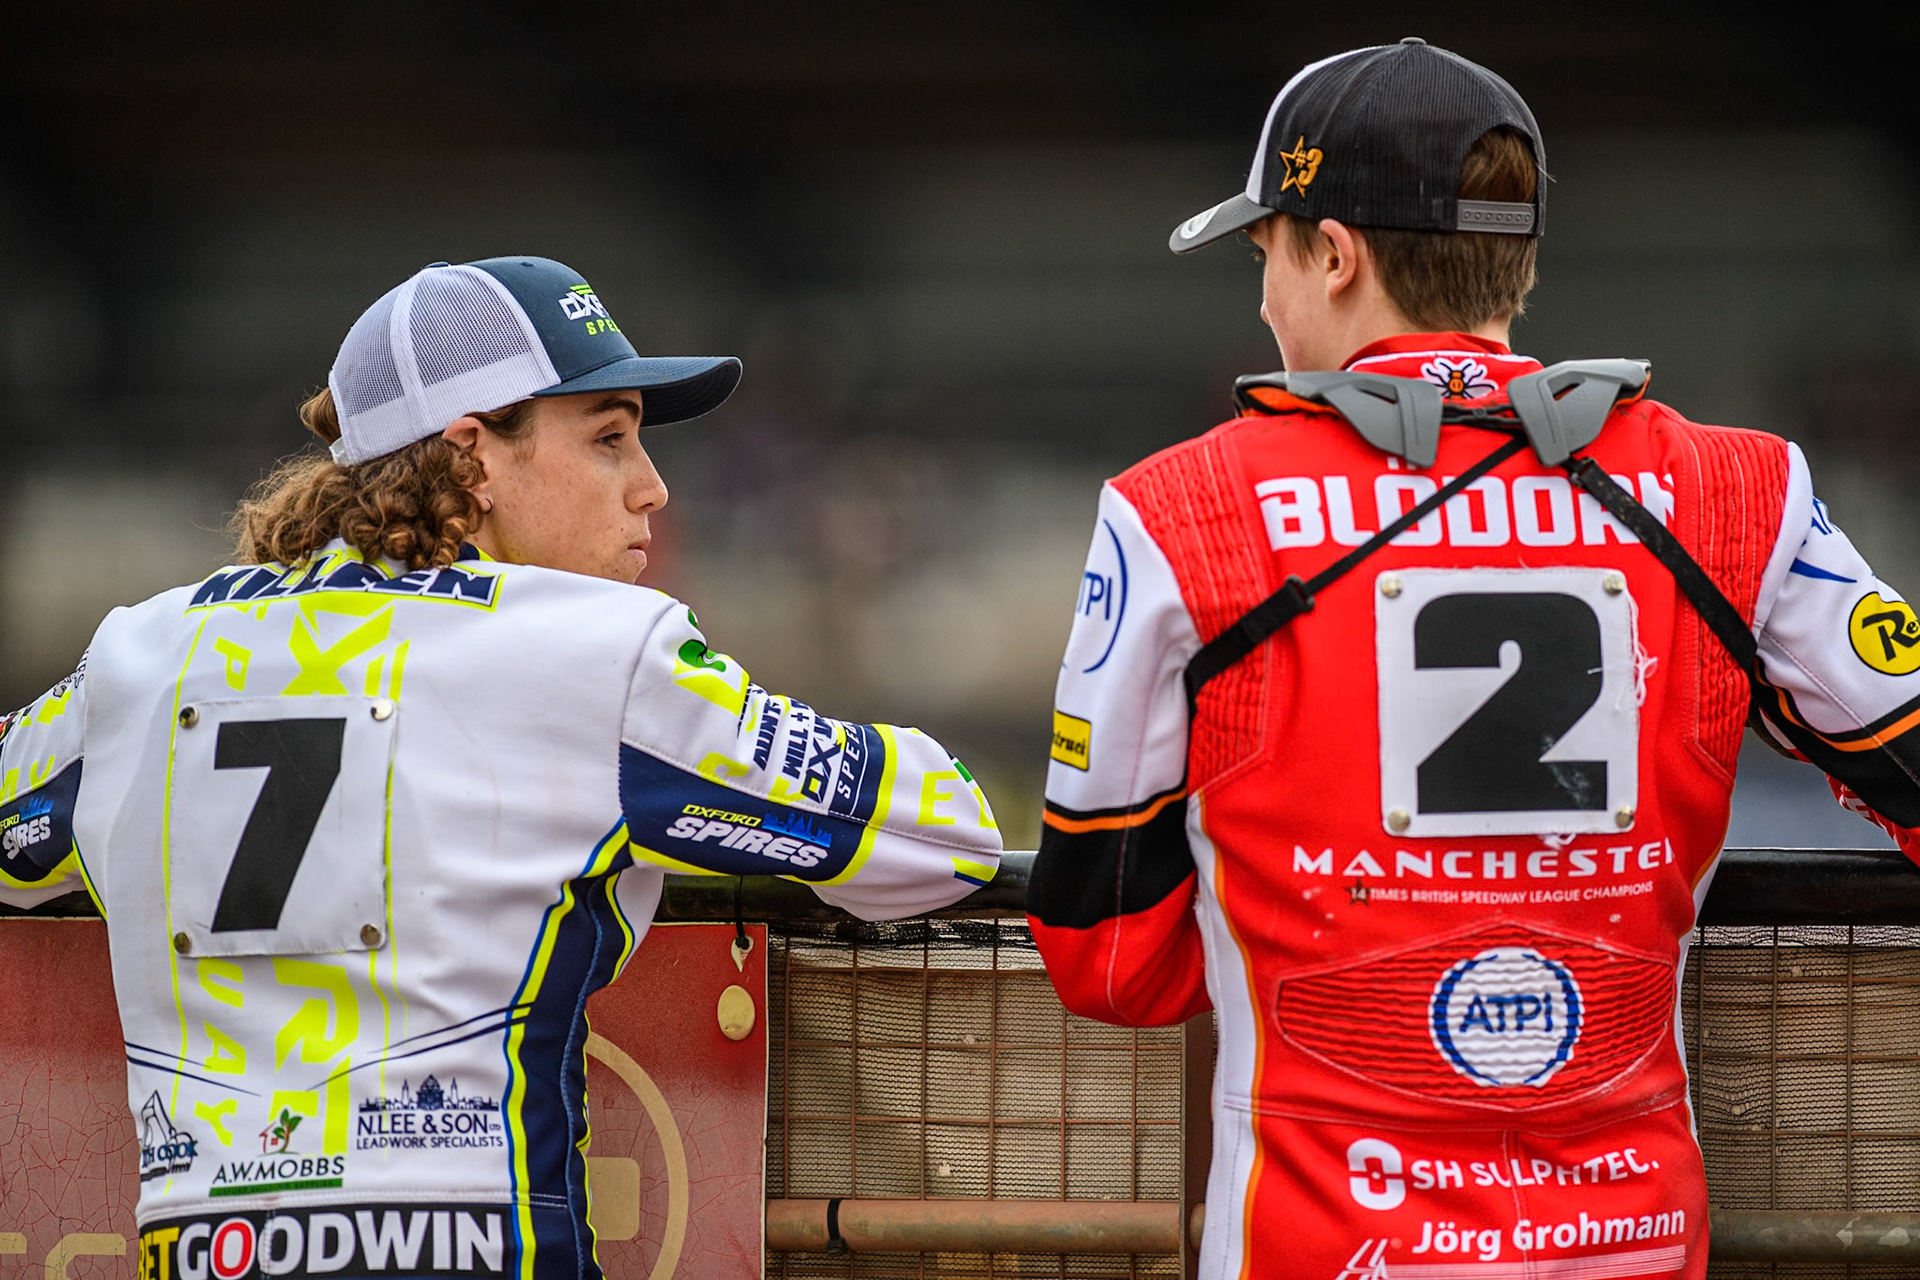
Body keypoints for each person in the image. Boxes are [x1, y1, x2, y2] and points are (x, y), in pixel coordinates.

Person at [1026, 39, 1920, 1280]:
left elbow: (1110, 958)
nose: (1265, 302)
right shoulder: (1740, 490)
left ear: (1333, 255)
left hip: (1327, 1246)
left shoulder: (1177, 512)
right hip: (1633, 1243)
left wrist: (1334, 935)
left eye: (1265, 255)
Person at [0, 256, 1001, 1279]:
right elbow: (945, 834)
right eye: (609, 438)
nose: (653, 485)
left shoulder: (139, 655)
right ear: (472, 457)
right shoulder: (598, 650)